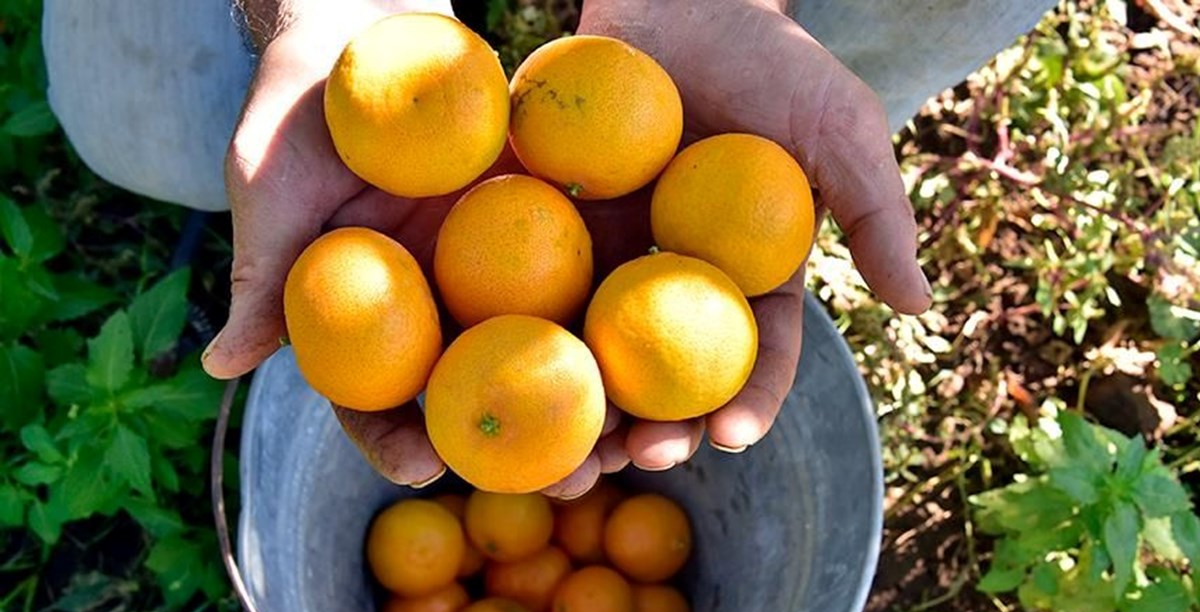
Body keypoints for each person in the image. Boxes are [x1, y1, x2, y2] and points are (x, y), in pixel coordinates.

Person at [42, 0, 1055, 498]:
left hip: (633, 119)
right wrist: (320, 10)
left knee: (866, 31)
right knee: (151, 125)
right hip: (406, 86)